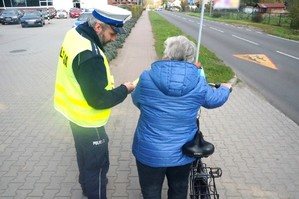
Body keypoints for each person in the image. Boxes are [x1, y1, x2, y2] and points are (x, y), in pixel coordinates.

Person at [131, 35, 232, 199]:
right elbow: (213, 100)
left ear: (167, 54)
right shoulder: (198, 82)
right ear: (190, 58)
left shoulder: (146, 77)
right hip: (182, 150)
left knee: (150, 191)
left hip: (149, 150)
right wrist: (226, 88)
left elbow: (136, 100)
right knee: (178, 190)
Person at [53, 7, 135, 199]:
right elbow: (99, 100)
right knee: (97, 166)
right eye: (112, 33)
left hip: (73, 114)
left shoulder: (74, 34)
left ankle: (86, 186)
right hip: (90, 122)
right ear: (98, 27)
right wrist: (125, 89)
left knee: (83, 156)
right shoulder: (91, 56)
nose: (114, 39)